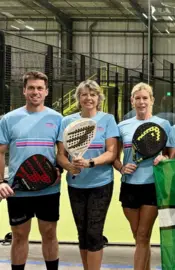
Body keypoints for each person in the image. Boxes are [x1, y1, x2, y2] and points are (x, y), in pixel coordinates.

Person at [0, 71, 62, 270]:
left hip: (49, 189)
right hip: (18, 190)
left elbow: (62, 153)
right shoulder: (8, 119)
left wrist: (59, 169)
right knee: (19, 235)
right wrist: (1, 182)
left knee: (50, 233)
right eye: (31, 88)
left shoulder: (58, 118)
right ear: (24, 91)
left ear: (46, 92)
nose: (35, 92)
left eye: (39, 88)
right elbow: (0, 153)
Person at [56, 80, 119, 270]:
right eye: (84, 94)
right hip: (76, 185)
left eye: (92, 94)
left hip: (101, 184)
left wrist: (90, 163)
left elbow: (111, 153)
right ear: (78, 98)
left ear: (99, 98)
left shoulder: (107, 119)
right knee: (82, 233)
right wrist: (69, 166)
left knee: (94, 233)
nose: (88, 98)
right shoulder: (67, 121)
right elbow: (60, 155)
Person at [113, 82, 173, 270]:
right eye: (137, 98)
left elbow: (171, 153)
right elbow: (114, 156)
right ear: (132, 101)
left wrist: (163, 158)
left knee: (142, 236)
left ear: (152, 100)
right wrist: (122, 168)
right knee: (139, 236)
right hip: (129, 186)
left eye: (145, 98)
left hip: (152, 185)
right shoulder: (122, 126)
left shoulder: (163, 124)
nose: (141, 102)